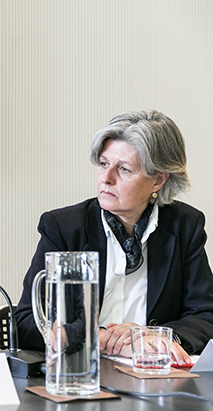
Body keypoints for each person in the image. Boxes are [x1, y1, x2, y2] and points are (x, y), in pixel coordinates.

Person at [15, 110, 213, 365]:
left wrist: (154, 338)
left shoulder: (185, 225)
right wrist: (95, 337)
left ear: (158, 180)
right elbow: (27, 321)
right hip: (78, 371)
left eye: (124, 169)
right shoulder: (64, 228)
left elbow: (205, 316)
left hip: (151, 374)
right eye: (103, 164)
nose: (106, 179)